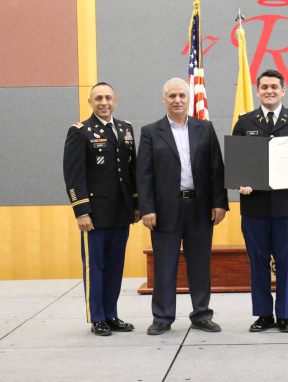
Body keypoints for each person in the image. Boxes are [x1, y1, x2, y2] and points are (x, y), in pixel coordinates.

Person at [137, 78, 228, 335]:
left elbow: (216, 169)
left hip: (200, 208)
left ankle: (201, 314)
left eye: (182, 95)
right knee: (164, 265)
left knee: (199, 264)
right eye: (172, 96)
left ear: (189, 99)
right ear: (164, 100)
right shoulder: (150, 131)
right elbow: (143, 174)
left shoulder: (205, 128)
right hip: (165, 209)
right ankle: (163, 318)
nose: (177, 100)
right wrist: (147, 209)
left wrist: (219, 203)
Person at [232, 69, 288, 333]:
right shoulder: (244, 123)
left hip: (287, 206)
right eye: (264, 87)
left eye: (274, 87)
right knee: (258, 263)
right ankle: (264, 314)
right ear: (257, 91)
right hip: (254, 206)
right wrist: (240, 182)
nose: (269, 91)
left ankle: (285, 315)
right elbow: (237, 164)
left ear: (283, 90)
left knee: (287, 262)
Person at [63, 82, 139, 336]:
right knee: (95, 266)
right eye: (98, 98)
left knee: (116, 265)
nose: (104, 102)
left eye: (108, 98)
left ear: (115, 101)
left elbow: (132, 171)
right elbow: (73, 175)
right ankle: (97, 317)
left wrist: (137, 203)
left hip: (122, 211)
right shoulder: (80, 131)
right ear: (90, 102)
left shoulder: (125, 129)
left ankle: (111, 314)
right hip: (95, 213)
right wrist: (81, 211)